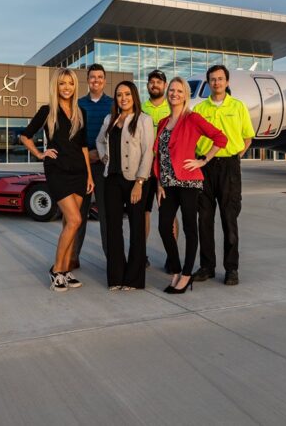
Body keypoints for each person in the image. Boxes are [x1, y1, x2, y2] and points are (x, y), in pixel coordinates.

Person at [20, 69, 94, 292]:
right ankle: (56, 271)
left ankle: (65, 269)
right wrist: (40, 154)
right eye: (62, 83)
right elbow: (25, 135)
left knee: (68, 224)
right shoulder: (47, 111)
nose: (67, 87)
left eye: (70, 83)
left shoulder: (81, 112)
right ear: (56, 86)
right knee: (75, 221)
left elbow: (83, 146)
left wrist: (90, 175)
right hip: (58, 172)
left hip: (79, 172)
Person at [153, 76, 227, 294]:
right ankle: (175, 270)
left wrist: (202, 160)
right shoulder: (165, 121)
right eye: (172, 90)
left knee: (188, 227)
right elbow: (160, 154)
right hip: (167, 183)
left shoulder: (192, 118)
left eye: (179, 90)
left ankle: (186, 274)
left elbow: (220, 139)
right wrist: (159, 183)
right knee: (164, 226)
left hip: (188, 181)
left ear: (185, 94)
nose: (174, 93)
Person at [193, 65, 255, 286]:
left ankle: (231, 269)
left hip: (229, 166)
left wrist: (235, 156)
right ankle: (207, 267)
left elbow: (247, 137)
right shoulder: (200, 109)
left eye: (220, 79)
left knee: (229, 219)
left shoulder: (238, 107)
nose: (217, 83)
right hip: (205, 166)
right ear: (208, 83)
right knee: (205, 219)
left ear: (227, 82)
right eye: (213, 79)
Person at [96, 81, 154, 290]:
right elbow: (99, 141)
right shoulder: (109, 119)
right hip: (111, 179)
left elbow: (148, 152)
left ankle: (134, 279)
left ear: (134, 96)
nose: (123, 98)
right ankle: (116, 277)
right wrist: (104, 158)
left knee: (137, 229)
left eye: (127, 94)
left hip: (135, 181)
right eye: (119, 95)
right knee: (113, 229)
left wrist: (140, 182)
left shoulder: (144, 120)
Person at [72, 64, 114, 268]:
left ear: (105, 80)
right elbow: (74, 135)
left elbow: (117, 135)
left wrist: (103, 154)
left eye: (100, 77)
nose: (96, 80)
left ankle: (111, 258)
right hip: (82, 165)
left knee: (107, 215)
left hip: (105, 166)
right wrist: (87, 154)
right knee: (78, 214)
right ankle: (73, 257)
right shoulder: (78, 104)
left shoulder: (113, 104)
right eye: (92, 77)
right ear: (87, 80)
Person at [140, 69, 176, 270]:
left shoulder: (172, 108)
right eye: (151, 81)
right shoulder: (140, 108)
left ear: (165, 85)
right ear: (148, 85)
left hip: (166, 169)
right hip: (145, 168)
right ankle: (142, 254)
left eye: (159, 82)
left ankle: (172, 256)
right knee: (144, 212)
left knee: (169, 213)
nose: (155, 85)